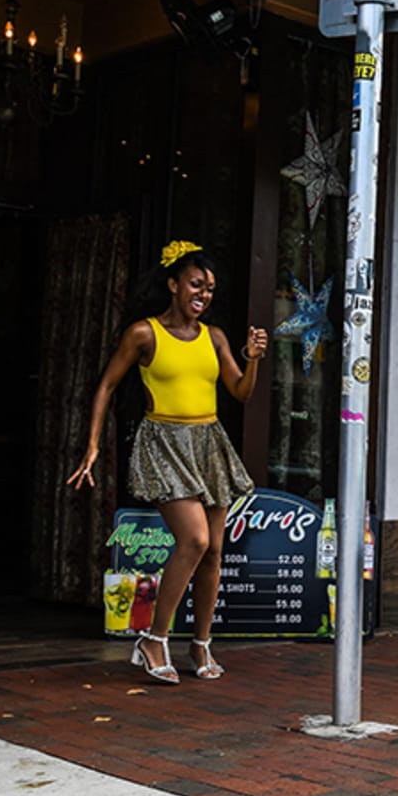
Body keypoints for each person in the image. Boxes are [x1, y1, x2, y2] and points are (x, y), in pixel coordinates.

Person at [67, 241, 266, 684]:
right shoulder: (144, 333)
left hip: (209, 441)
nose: (204, 294)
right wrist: (93, 446)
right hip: (165, 442)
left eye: (210, 288)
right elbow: (106, 387)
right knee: (193, 540)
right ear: (174, 284)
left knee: (214, 550)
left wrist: (251, 361)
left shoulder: (214, 336)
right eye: (197, 284)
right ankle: (155, 638)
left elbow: (241, 392)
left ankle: (200, 645)